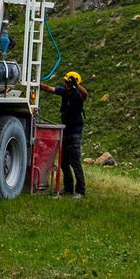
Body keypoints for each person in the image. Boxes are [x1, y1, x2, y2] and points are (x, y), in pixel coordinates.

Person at [46, 69, 87, 198]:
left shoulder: (78, 95)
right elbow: (49, 89)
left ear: (71, 84)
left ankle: (80, 190)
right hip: (65, 131)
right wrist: (34, 84)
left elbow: (85, 94)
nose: (63, 84)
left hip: (74, 133)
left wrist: (77, 85)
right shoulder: (64, 92)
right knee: (63, 162)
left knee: (75, 162)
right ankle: (68, 187)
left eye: (66, 82)